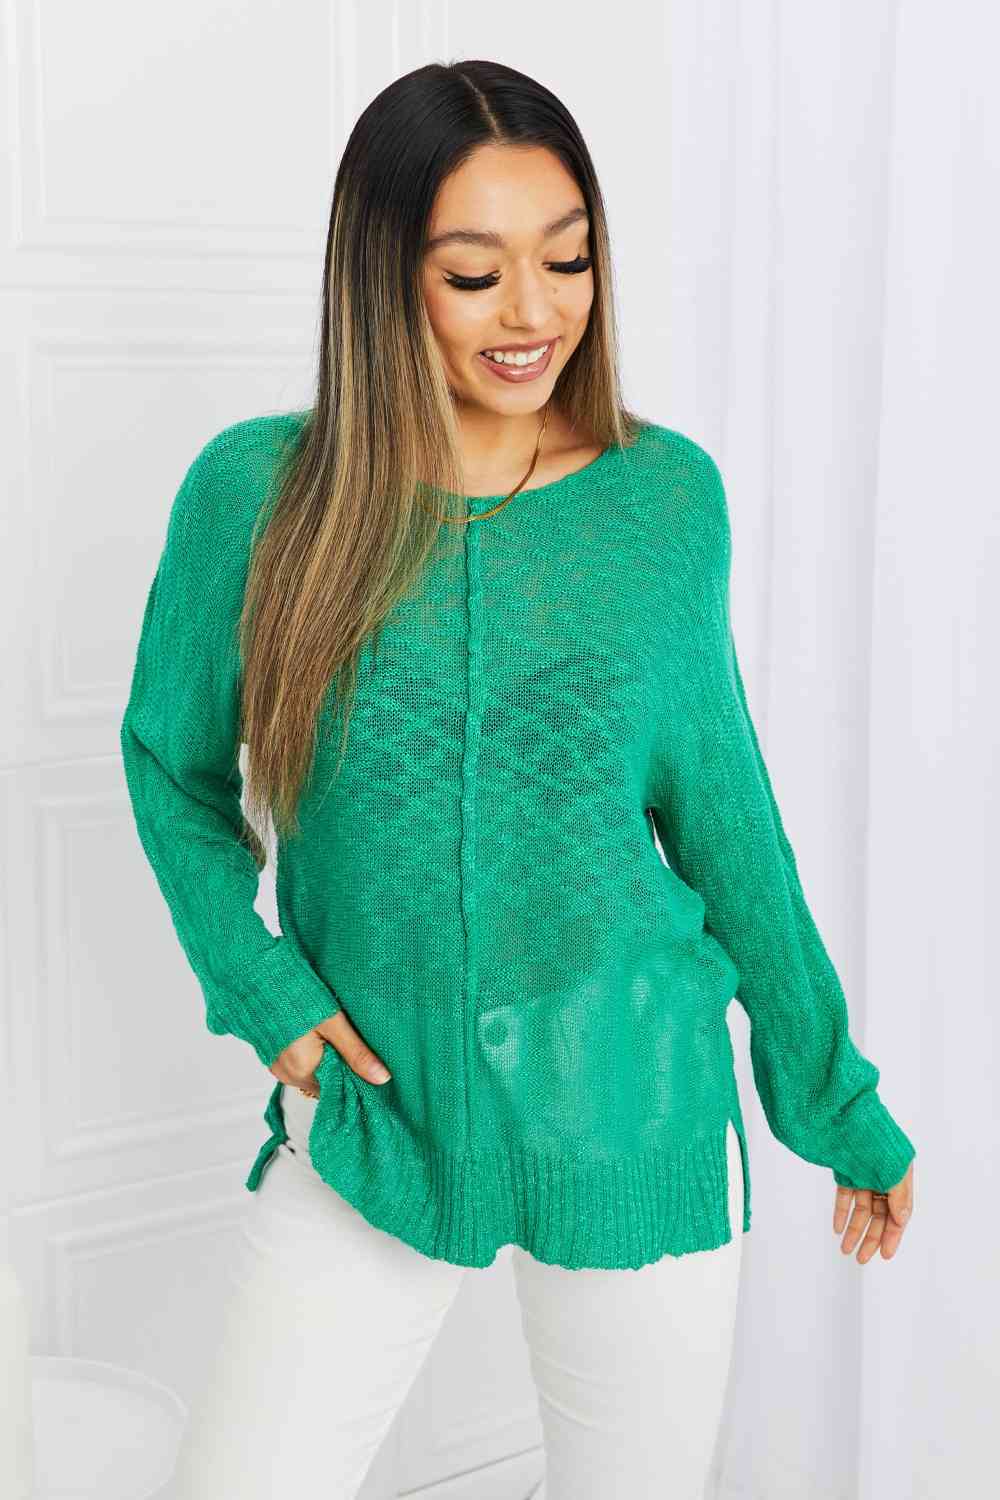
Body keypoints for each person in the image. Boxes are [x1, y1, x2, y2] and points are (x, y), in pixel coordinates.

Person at [119, 58, 916, 1500]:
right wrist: (262, 989)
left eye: (568, 259)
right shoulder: (261, 495)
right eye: (476, 275)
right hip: (375, 1111)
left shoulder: (663, 500)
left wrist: (834, 1099)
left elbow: (728, 825)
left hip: (634, 1094)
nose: (536, 313)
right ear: (384, 279)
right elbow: (168, 765)